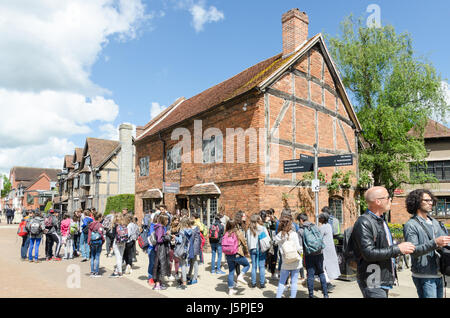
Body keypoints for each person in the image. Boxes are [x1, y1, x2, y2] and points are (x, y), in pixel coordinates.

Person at [352, 186, 416, 298]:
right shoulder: (364, 222)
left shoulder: (380, 219)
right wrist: (397, 249)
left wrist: (398, 249)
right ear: (378, 201)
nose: (390, 200)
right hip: (372, 279)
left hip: (382, 277)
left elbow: (382, 246)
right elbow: (368, 253)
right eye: (388, 197)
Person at [403, 189, 450, 298]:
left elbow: (445, 243)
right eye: (426, 200)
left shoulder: (435, 222)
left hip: (439, 273)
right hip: (424, 275)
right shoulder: (411, 225)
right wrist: (434, 243)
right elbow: (413, 251)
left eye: (431, 200)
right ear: (417, 202)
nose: (431, 203)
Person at [297, 212, 328, 298]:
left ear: (301, 220)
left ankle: (311, 295)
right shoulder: (315, 226)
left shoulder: (300, 230)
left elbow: (299, 245)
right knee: (321, 272)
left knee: (310, 275)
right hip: (319, 253)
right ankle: (325, 294)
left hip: (309, 255)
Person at [274, 214, 302, 298]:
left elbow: (277, 246)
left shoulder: (278, 236)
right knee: (294, 282)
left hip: (285, 260)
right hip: (295, 260)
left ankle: (278, 297)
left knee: (282, 281)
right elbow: (298, 248)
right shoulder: (294, 234)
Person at [224, 219, 250, 296]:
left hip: (228, 255)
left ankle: (230, 290)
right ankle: (240, 276)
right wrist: (246, 252)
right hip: (237, 253)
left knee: (231, 271)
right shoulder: (238, 232)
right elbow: (244, 243)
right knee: (247, 265)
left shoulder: (226, 233)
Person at [318, 212, 341, 292]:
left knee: (322, 266)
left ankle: (327, 283)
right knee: (327, 266)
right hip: (330, 248)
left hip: (324, 249)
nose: (318, 218)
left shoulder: (322, 227)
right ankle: (327, 282)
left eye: (320, 217)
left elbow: (319, 238)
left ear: (323, 219)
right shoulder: (329, 226)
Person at [246, 214, 269, 288]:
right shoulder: (262, 228)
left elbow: (248, 242)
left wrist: (249, 250)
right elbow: (267, 239)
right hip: (261, 248)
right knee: (262, 266)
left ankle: (253, 283)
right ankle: (262, 283)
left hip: (252, 249)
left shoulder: (249, 230)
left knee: (254, 266)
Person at [153, 214, 171, 290]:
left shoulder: (160, 227)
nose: (167, 221)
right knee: (159, 265)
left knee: (159, 265)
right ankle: (157, 284)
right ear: (163, 220)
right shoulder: (160, 227)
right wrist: (167, 236)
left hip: (160, 248)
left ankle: (159, 283)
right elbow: (159, 239)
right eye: (166, 220)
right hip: (161, 248)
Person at [175, 217, 192, 290]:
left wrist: (175, 237)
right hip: (186, 250)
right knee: (184, 265)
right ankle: (183, 280)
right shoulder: (189, 231)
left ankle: (184, 283)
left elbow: (180, 240)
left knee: (183, 266)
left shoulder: (182, 231)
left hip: (181, 251)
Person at [88, 212, 105, 277]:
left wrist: (89, 241)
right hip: (98, 241)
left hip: (92, 241)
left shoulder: (91, 224)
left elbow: (89, 234)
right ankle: (96, 272)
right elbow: (101, 233)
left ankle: (92, 271)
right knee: (97, 256)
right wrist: (103, 240)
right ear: (99, 218)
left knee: (92, 256)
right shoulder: (100, 225)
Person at [168, 215, 180, 280]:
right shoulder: (169, 227)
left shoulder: (179, 227)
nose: (177, 222)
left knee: (177, 260)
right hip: (170, 245)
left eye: (178, 220)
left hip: (177, 246)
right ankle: (169, 273)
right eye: (175, 220)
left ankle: (176, 273)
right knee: (170, 260)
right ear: (173, 220)